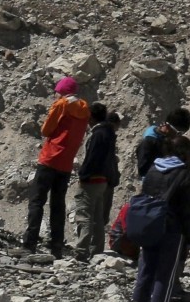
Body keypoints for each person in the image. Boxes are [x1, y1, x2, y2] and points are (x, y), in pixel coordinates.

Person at [131, 135, 190, 302]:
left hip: (150, 226)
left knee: (145, 273)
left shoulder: (153, 169)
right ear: (185, 154)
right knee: (164, 278)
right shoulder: (185, 175)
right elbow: (186, 211)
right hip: (172, 230)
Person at [24, 76, 88, 256]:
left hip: (50, 158)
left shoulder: (61, 104)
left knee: (37, 200)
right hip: (66, 163)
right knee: (58, 204)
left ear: (62, 91)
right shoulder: (84, 108)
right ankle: (56, 245)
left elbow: (46, 130)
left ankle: (29, 243)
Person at [74, 104, 119, 255]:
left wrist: (83, 176)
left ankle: (81, 249)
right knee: (98, 217)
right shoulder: (108, 133)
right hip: (103, 180)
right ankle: (96, 249)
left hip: (91, 179)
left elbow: (92, 158)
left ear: (91, 117)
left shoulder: (97, 134)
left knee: (84, 214)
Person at [134, 107, 190, 182]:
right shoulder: (149, 142)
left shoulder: (167, 140)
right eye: (179, 133)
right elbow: (143, 170)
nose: (179, 136)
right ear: (168, 126)